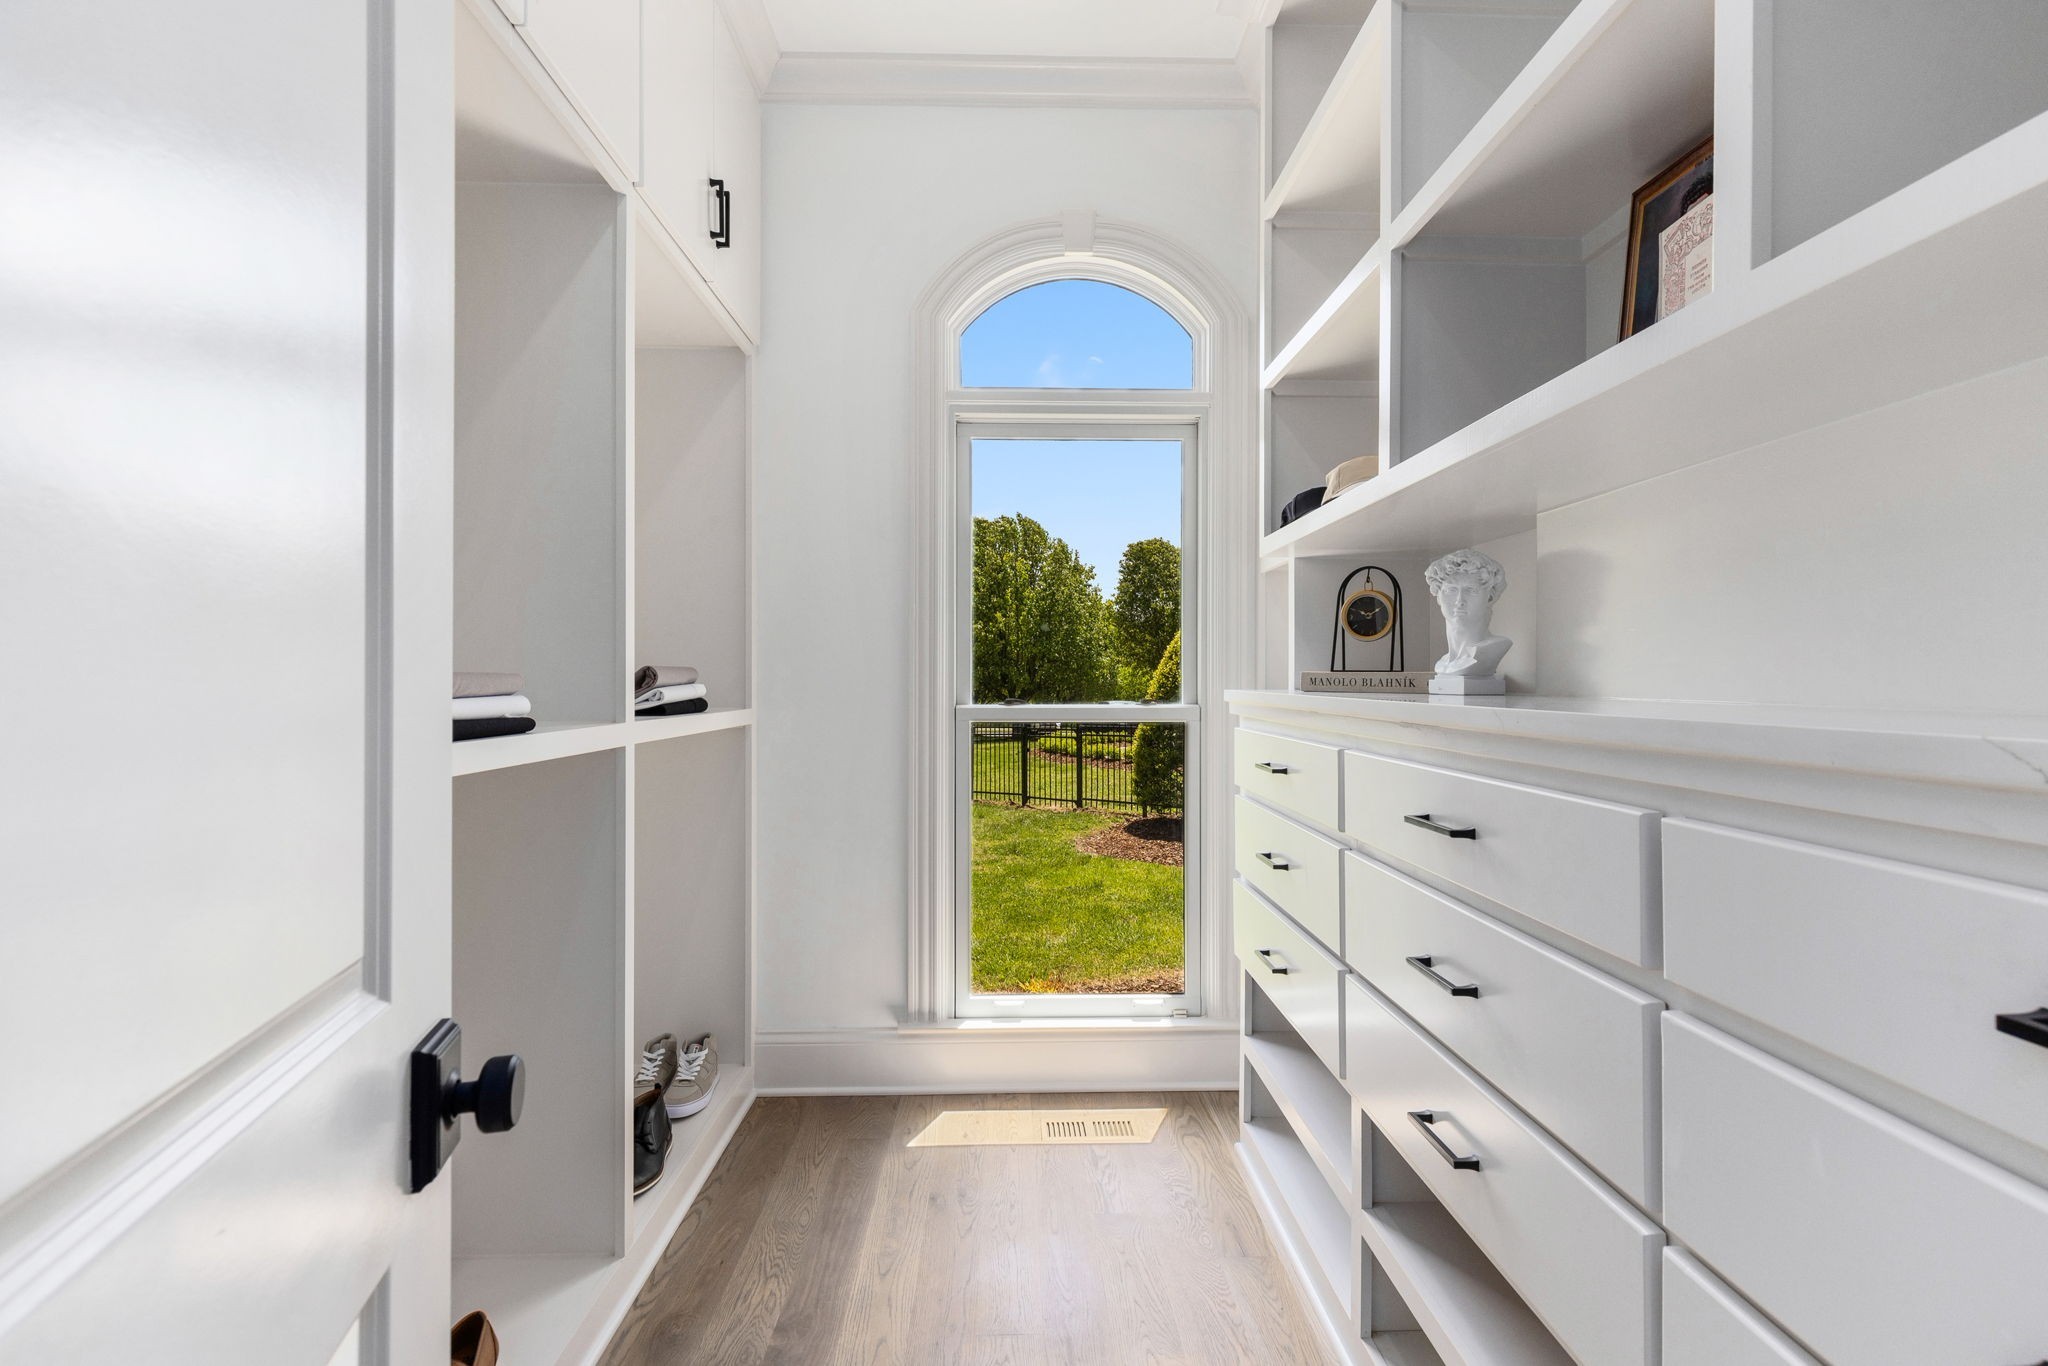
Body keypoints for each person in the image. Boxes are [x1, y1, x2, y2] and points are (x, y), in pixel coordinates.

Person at [1425, 549, 1512, 678]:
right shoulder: (1443, 663)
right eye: (1451, 590)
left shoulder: (1493, 648)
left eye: (1471, 590)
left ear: (1490, 597)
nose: (1459, 600)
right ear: (1438, 596)